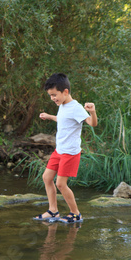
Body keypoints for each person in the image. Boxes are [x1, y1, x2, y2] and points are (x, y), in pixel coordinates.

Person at [33, 73, 97, 223]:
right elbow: (63, 119)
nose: (52, 98)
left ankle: (76, 213)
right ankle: (53, 211)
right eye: (50, 96)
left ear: (65, 92)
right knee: (46, 178)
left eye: (54, 95)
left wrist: (92, 111)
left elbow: (92, 123)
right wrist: (49, 116)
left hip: (70, 153)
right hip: (59, 151)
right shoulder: (62, 105)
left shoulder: (76, 107)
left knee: (60, 183)